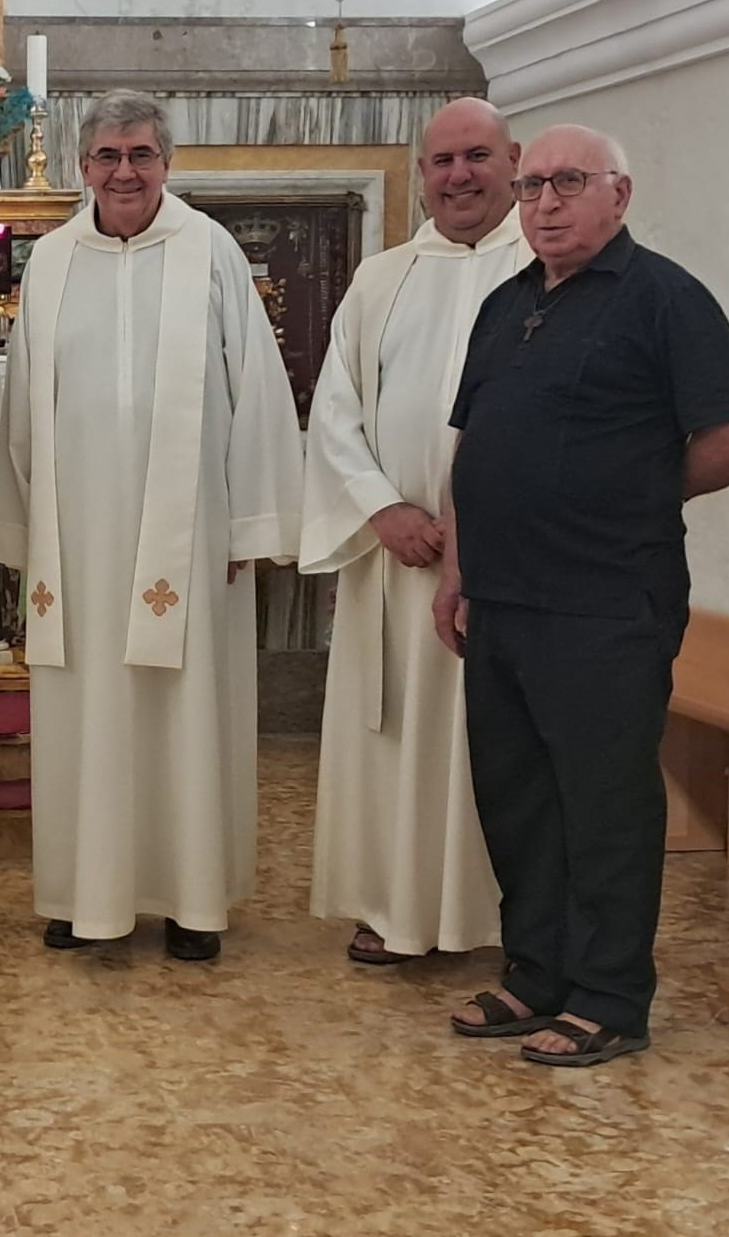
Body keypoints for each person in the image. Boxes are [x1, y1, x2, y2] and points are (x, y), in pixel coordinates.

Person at [439, 124, 729, 1066]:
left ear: (618, 195)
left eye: (568, 183)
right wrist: (460, 572)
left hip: (605, 599)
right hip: (502, 598)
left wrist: (638, 493)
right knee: (518, 798)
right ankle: (536, 974)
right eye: (534, 183)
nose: (545, 201)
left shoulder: (664, 297)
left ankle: (612, 996)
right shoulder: (507, 304)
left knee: (604, 802)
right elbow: (475, 446)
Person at [0, 91, 303, 961]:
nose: (124, 171)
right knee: (84, 710)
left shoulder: (209, 252)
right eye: (107, 156)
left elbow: (257, 390)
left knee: (184, 708)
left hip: (193, 529)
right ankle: (81, 893)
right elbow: (24, 404)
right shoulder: (51, 260)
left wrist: (249, 525)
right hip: (80, 537)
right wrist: (26, 533)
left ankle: (190, 900)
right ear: (80, 166)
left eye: (140, 155)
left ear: (167, 164)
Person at [301, 98, 527, 964]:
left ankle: (501, 916)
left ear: (513, 161)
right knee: (396, 733)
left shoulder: (545, 269)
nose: (460, 175)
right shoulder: (382, 277)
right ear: (421, 174)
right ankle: (394, 906)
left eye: (477, 157)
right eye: (442, 161)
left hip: (505, 565)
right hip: (397, 560)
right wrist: (381, 509)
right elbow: (335, 410)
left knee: (492, 739)